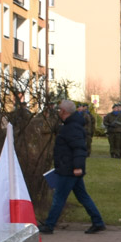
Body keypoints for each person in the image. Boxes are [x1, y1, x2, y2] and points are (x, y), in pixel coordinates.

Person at [40, 99, 106, 234]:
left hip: (68, 169)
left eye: (59, 110)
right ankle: (97, 221)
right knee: (83, 196)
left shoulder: (71, 127)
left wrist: (77, 167)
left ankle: (49, 225)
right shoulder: (72, 125)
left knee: (59, 197)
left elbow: (79, 149)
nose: (58, 112)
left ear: (64, 112)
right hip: (70, 167)